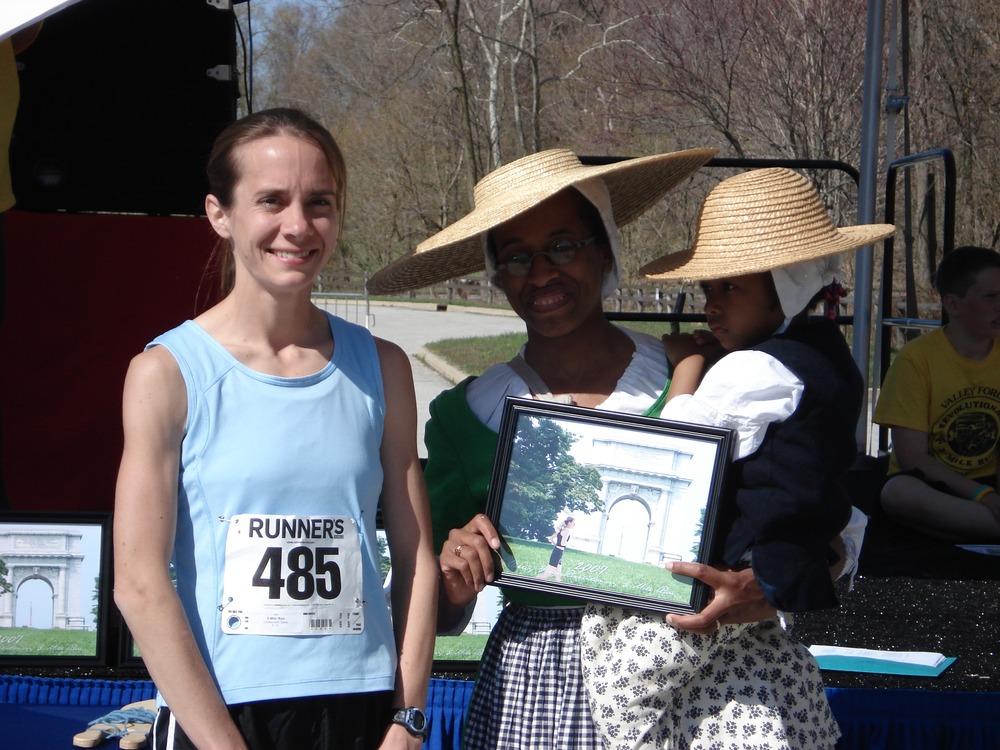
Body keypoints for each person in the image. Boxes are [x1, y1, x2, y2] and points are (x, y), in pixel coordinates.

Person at [367, 146, 717, 749]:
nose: (540, 273)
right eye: (516, 257)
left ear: (604, 251)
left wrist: (751, 589)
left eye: (562, 246)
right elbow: (435, 608)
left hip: (683, 681)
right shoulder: (465, 417)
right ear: (498, 275)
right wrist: (455, 579)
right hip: (536, 692)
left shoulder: (694, 375)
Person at [113, 108, 437, 750]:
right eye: (271, 201)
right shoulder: (166, 373)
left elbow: (416, 556)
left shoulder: (383, 368)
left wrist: (408, 719)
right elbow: (139, 582)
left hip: (363, 713)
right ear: (220, 214)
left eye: (319, 202)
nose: (297, 225)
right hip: (224, 717)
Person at [579, 167, 895, 750]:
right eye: (708, 289)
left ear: (787, 285)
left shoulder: (753, 369)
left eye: (730, 288)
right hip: (781, 570)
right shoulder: (833, 361)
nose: (711, 305)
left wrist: (687, 369)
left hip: (719, 577)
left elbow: (680, 445)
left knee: (623, 690)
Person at [873, 245, 1000, 541]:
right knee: (898, 493)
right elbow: (912, 458)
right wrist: (982, 495)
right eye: (991, 297)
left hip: (990, 484)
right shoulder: (916, 359)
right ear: (952, 304)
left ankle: (968, 528)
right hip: (936, 485)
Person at [537, 516, 576, 581]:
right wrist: (571, 545)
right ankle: (533, 581)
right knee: (547, 574)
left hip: (557, 551)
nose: (574, 525)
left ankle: (558, 585)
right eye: (573, 523)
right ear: (569, 522)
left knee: (558, 575)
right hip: (558, 553)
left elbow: (551, 538)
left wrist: (556, 545)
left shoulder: (561, 530)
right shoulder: (567, 531)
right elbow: (563, 543)